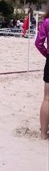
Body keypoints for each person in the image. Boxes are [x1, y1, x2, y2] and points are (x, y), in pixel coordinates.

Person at [34, 10, 49, 140]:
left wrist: (46, 54)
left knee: (47, 99)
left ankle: (43, 134)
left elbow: (38, 43)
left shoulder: (47, 22)